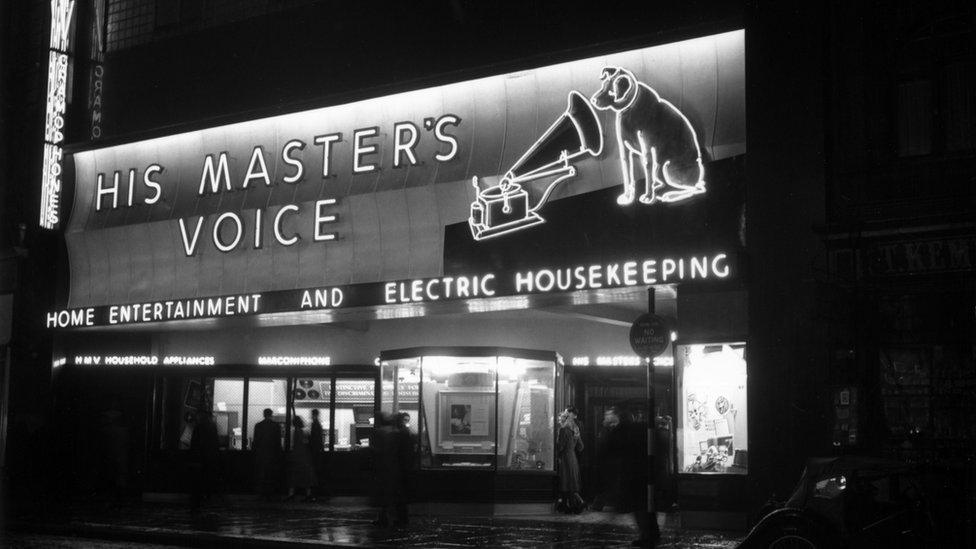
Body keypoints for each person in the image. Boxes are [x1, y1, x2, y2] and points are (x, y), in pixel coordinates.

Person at [601, 406, 658, 547]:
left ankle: (647, 534)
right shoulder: (642, 428)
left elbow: (607, 451)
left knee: (639, 507)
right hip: (645, 473)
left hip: (631, 474)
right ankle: (650, 533)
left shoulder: (621, 431)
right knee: (646, 505)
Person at [371, 412, 401, 526]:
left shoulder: (379, 432)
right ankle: (391, 517)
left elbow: (375, 449)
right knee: (391, 493)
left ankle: (384, 517)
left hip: (382, 468)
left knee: (384, 494)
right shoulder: (395, 433)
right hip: (393, 467)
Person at [556, 406, 585, 513]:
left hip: (565, 457)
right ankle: (571, 505)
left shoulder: (564, 429)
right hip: (573, 458)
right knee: (571, 482)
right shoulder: (576, 428)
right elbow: (581, 447)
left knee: (565, 482)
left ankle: (566, 506)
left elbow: (560, 447)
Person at [189, 410, 219, 510]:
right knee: (208, 477)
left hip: (200, 457)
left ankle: (198, 497)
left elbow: (194, 443)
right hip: (210, 457)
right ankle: (208, 495)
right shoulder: (212, 427)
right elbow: (216, 443)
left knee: (199, 478)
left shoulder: (198, 427)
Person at [285, 416, 316, 501]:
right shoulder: (303, 432)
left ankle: (291, 494)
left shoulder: (294, 432)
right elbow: (306, 443)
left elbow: (293, 445)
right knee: (306, 477)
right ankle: (308, 494)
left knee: (294, 476)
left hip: (296, 456)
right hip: (304, 456)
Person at [252, 408, 281, 501]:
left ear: (264, 415)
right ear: (271, 415)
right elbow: (278, 442)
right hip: (272, 454)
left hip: (261, 454)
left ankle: (261, 494)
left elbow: (255, 441)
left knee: (262, 474)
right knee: (271, 475)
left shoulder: (258, 426)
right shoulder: (276, 426)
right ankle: (270, 494)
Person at [394, 412, 416, 525]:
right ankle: (401, 517)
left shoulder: (402, 432)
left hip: (401, 467)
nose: (406, 422)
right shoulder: (403, 432)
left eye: (408, 420)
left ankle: (401, 517)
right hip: (404, 466)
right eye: (405, 420)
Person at [309, 409, 326, 498]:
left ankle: (315, 493)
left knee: (315, 473)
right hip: (318, 451)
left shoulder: (315, 424)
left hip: (315, 452)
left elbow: (314, 439)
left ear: (313, 415)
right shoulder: (317, 424)